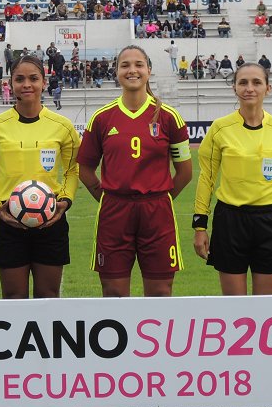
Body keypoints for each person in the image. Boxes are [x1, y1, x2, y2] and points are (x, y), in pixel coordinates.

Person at [78, 46, 192, 298]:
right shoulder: (101, 118)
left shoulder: (169, 117)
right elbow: (84, 168)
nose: (132, 70)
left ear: (148, 70)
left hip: (157, 212)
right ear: (116, 71)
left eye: (139, 64)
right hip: (114, 212)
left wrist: (161, 198)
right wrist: (105, 196)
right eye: (125, 65)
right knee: (114, 293)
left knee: (161, 293)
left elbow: (184, 172)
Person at [192, 62, 272, 296]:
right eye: (243, 82)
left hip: (271, 222)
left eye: (257, 82)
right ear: (234, 88)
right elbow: (207, 179)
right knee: (235, 309)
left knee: (265, 308)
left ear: (268, 88)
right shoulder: (220, 128)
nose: (249, 88)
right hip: (230, 221)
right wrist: (200, 227)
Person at [0, 55, 80, 299]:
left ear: (44, 82)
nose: (27, 84)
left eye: (33, 78)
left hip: (51, 220)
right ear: (10, 83)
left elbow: (73, 169)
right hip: (8, 220)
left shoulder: (62, 126)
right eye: (19, 79)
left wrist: (65, 200)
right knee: (13, 298)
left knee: (48, 296)